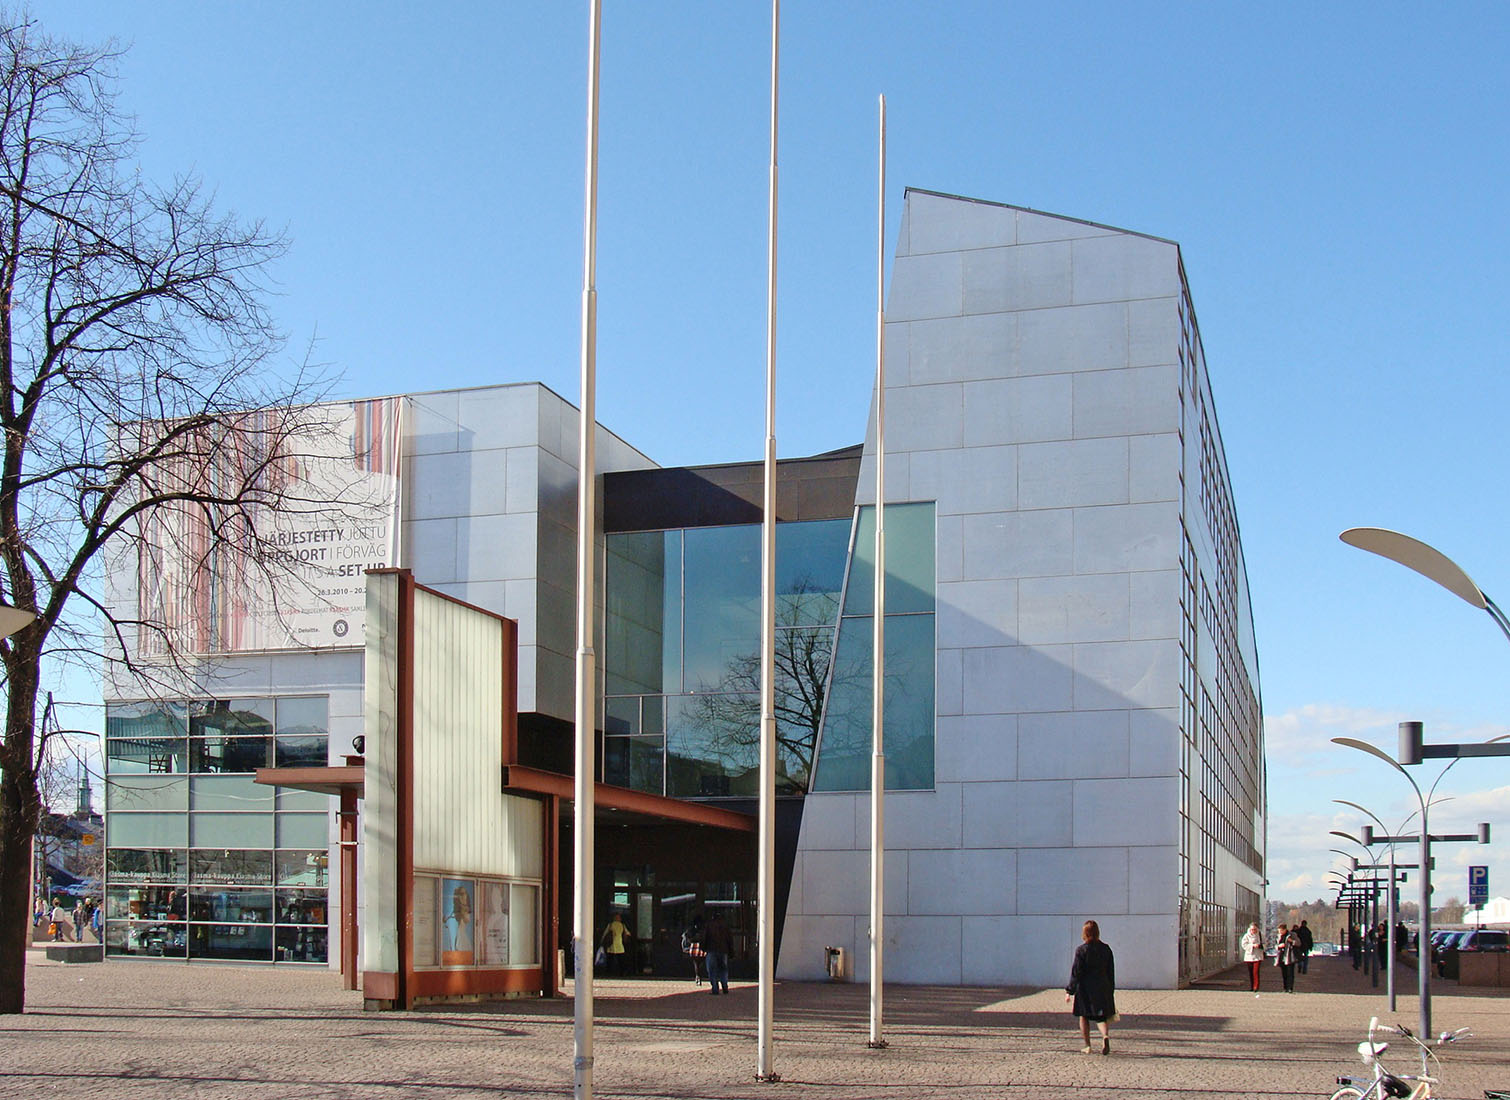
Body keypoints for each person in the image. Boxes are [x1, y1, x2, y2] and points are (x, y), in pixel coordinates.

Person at [1065, 919, 1116, 1055]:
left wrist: (1070, 990)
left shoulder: (1081, 950)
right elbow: (1110, 971)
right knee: (1101, 1017)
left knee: (1084, 1017)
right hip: (1102, 986)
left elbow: (1076, 972)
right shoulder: (1106, 949)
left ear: (1085, 933)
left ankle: (1087, 1045)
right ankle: (1105, 1036)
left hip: (1085, 989)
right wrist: (1110, 990)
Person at [702, 911, 732, 995]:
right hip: (723, 950)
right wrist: (730, 950)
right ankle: (725, 986)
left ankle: (715, 988)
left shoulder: (709, 925)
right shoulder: (725, 925)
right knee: (723, 969)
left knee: (712, 970)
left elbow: (705, 937)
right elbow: (729, 939)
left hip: (711, 949)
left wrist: (703, 948)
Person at [601, 912, 633, 978]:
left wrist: (602, 941)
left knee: (610, 960)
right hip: (619, 944)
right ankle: (622, 973)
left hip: (611, 945)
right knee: (621, 960)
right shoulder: (622, 925)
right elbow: (628, 933)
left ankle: (608, 973)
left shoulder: (610, 925)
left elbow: (605, 934)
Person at [1274, 922, 1300, 993]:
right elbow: (1275, 945)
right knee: (1284, 973)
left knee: (1290, 973)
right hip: (1282, 956)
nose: (1280, 932)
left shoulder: (1292, 935)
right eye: (1279, 931)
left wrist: (1291, 941)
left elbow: (1298, 943)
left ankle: (1290, 988)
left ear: (1284, 930)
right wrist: (1279, 946)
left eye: (1281, 931)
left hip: (1290, 956)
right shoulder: (1279, 936)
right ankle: (1285, 987)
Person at [1240, 922, 1265, 995]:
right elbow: (1244, 945)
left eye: (1254, 929)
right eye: (1252, 929)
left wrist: (1260, 946)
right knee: (1251, 972)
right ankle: (1252, 985)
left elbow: (1265, 944)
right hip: (1249, 956)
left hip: (1258, 956)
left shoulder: (1260, 935)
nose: (1253, 931)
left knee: (1256, 972)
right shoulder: (1246, 936)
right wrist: (1252, 946)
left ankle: (1256, 987)